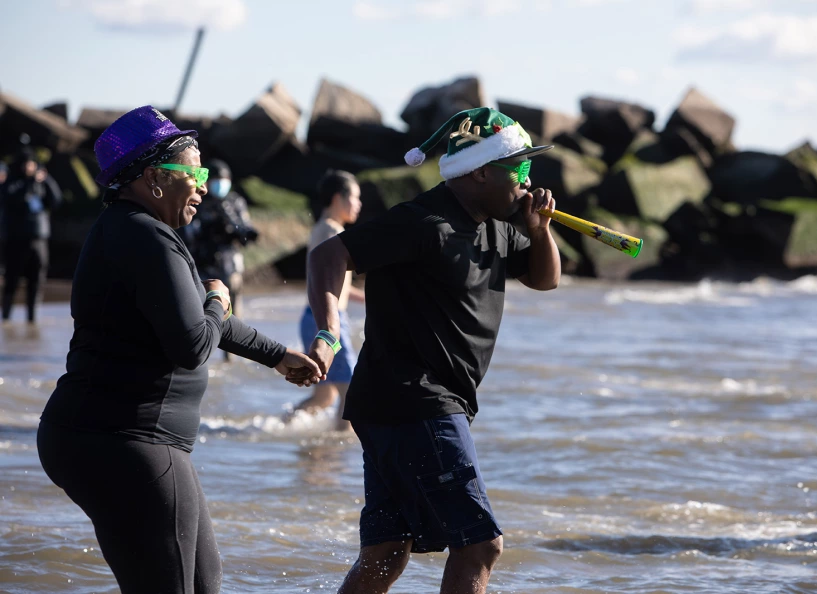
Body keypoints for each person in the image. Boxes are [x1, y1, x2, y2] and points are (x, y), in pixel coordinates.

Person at [36, 106, 322, 594]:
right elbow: (193, 344)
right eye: (196, 174)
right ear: (154, 179)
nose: (204, 188)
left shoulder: (129, 229)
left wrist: (276, 355)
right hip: (129, 440)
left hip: (109, 436)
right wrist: (218, 299)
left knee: (204, 582)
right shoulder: (146, 237)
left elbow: (194, 320)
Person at [299, 107, 560, 594]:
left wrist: (540, 228)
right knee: (480, 545)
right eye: (518, 168)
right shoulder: (424, 222)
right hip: (414, 400)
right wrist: (329, 332)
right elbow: (329, 255)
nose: (528, 180)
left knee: (385, 554)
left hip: (395, 406)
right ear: (480, 172)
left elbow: (545, 279)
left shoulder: (500, 224)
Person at [283, 170, 364, 431]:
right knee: (351, 394)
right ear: (338, 198)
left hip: (315, 317)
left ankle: (280, 427)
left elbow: (334, 285)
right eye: (355, 197)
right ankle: (339, 449)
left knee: (325, 396)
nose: (359, 204)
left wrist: (367, 298)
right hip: (328, 322)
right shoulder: (332, 231)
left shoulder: (323, 228)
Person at [181, 158, 258, 319]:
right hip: (202, 267)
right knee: (204, 315)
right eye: (216, 179)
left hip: (230, 265)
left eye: (224, 180)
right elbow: (188, 235)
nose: (221, 184)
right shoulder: (198, 202)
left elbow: (246, 231)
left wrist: (233, 230)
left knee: (234, 316)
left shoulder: (234, 202)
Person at [1, 147, 62, 323]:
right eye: (27, 164)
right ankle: (5, 319)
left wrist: (47, 179)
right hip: (16, 239)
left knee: (36, 281)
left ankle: (32, 320)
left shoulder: (41, 183)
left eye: (32, 164)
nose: (29, 167)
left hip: (39, 240)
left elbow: (56, 200)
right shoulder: (12, 182)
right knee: (11, 281)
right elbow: (10, 198)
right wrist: (30, 182)